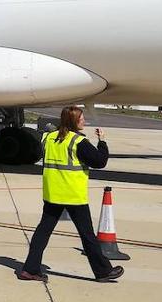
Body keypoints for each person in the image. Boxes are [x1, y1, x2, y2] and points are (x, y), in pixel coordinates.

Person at [18, 106, 124, 283]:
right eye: (81, 118)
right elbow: (100, 161)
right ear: (74, 121)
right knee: (87, 236)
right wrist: (103, 142)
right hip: (73, 195)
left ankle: (30, 269)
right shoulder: (78, 141)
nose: (84, 121)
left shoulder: (49, 138)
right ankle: (103, 271)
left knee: (43, 232)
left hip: (53, 193)